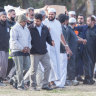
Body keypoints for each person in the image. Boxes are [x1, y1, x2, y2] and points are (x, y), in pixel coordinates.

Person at [43, 8, 72, 88]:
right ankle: (50, 82)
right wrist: (46, 31)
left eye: (52, 14)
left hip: (56, 48)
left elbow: (60, 35)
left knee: (55, 65)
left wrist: (66, 46)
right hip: (47, 47)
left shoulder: (58, 23)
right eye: (49, 14)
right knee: (50, 65)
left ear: (55, 15)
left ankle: (52, 82)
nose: (50, 15)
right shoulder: (44, 22)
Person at [29, 13, 55, 90]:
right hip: (34, 52)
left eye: (37, 21)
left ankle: (45, 85)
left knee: (48, 67)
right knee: (33, 70)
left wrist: (51, 42)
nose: (36, 22)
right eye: (35, 21)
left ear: (41, 20)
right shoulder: (30, 28)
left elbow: (48, 38)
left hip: (44, 52)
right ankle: (32, 86)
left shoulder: (45, 28)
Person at [10, 14, 31, 90]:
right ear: (21, 21)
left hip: (25, 51)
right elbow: (14, 40)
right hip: (17, 51)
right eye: (25, 21)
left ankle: (14, 78)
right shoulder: (14, 28)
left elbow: (29, 39)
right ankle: (20, 86)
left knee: (28, 67)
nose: (26, 22)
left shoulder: (26, 29)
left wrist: (28, 47)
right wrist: (22, 48)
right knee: (19, 69)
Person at [66, 17, 86, 86]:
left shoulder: (71, 30)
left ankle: (72, 79)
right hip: (70, 50)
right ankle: (69, 79)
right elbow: (69, 40)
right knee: (70, 65)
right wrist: (82, 40)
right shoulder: (69, 30)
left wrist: (82, 39)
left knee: (73, 65)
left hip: (73, 50)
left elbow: (75, 37)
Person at [0, 8, 9, 86]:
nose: (4, 18)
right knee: (2, 65)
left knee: (5, 66)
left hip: (6, 48)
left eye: (5, 17)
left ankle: (2, 79)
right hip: (0, 48)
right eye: (3, 17)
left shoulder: (7, 25)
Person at [75, 15, 85, 81]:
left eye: (81, 18)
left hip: (84, 46)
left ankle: (80, 75)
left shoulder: (85, 27)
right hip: (76, 46)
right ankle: (76, 75)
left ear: (83, 19)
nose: (80, 20)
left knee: (82, 62)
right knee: (77, 61)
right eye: (79, 18)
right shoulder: (75, 27)